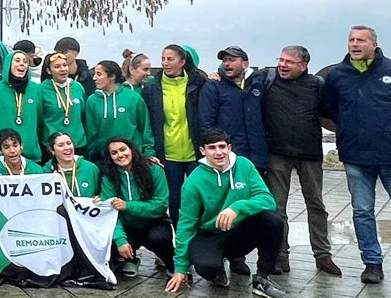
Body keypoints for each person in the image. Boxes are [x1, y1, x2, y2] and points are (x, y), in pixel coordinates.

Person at [320, 25, 391, 291]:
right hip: (356, 156)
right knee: (362, 212)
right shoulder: (338, 76)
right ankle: (372, 264)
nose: (354, 44)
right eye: (351, 40)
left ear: (374, 44)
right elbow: (329, 110)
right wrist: (349, 132)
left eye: (361, 40)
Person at [164, 128, 290, 298]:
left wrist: (238, 207)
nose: (218, 152)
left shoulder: (244, 165)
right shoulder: (194, 182)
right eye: (212, 148)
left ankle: (262, 278)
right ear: (203, 151)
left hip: (238, 231)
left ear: (229, 148)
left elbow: (268, 200)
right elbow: (186, 225)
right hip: (210, 234)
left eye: (222, 146)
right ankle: (217, 271)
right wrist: (180, 269)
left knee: (273, 220)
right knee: (207, 267)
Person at [262, 45, 340, 276]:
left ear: (303, 65)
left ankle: (323, 255)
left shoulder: (317, 85)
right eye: (281, 60)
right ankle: (280, 255)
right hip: (277, 153)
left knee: (316, 204)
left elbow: (331, 114)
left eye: (289, 62)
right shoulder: (269, 81)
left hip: (310, 154)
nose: (282, 65)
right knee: (277, 208)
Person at [141, 44, 206, 222]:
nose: (165, 63)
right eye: (163, 59)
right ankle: (179, 237)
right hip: (169, 154)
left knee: (198, 195)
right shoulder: (152, 87)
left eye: (170, 59)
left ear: (182, 61)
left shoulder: (198, 83)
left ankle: (199, 236)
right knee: (174, 198)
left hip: (195, 152)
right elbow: (147, 122)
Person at [98, 137, 173, 278]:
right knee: (111, 244)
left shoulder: (155, 170)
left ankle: (169, 260)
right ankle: (130, 259)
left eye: (123, 149)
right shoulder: (108, 178)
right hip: (127, 225)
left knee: (160, 238)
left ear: (131, 149)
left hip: (154, 222)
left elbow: (161, 205)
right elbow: (110, 213)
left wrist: (128, 205)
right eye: (114, 153)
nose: (120, 155)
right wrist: (120, 240)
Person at [200, 46, 271, 174]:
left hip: (257, 154)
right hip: (229, 154)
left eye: (232, 60)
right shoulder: (214, 86)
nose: (226, 63)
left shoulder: (258, 84)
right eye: (224, 60)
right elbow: (206, 122)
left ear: (245, 64)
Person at [84, 60, 154, 161]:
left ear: (112, 76)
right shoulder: (92, 100)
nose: (94, 78)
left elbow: (145, 128)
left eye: (99, 74)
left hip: (133, 157)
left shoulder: (133, 98)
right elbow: (91, 132)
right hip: (105, 159)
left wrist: (149, 153)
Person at [0, 50, 43, 162]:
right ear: (9, 64)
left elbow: (40, 117)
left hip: (31, 154)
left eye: (25, 61)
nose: (22, 64)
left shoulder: (35, 89)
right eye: (17, 61)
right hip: (4, 154)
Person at [37, 53, 87, 155]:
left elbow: (83, 115)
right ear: (48, 71)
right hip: (52, 146)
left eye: (65, 65)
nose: (63, 69)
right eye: (57, 67)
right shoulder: (41, 89)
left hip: (77, 143)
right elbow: (39, 118)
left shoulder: (77, 87)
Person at [43, 132, 100, 198]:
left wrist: (98, 198)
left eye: (69, 143)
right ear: (52, 150)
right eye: (61, 145)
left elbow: (101, 195)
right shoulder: (46, 172)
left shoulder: (91, 169)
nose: (67, 148)